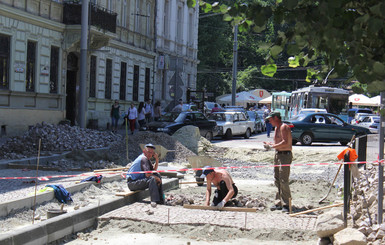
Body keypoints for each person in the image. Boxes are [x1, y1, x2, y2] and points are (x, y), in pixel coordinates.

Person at [263, 111, 293, 213]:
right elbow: (277, 143)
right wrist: (270, 144)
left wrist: (271, 146)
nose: (269, 121)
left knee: (283, 180)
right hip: (278, 154)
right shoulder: (276, 128)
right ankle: (278, 202)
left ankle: (286, 204)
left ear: (276, 118)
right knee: (277, 179)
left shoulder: (284, 127)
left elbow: (285, 142)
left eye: (270, 119)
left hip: (285, 155)